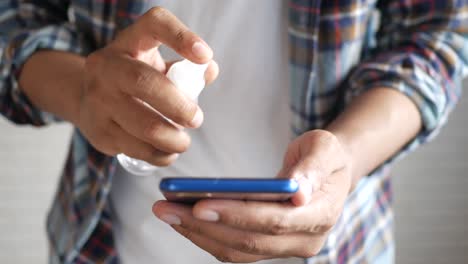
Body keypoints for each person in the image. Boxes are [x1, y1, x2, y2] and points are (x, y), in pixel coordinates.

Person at [1, 0, 467, 263]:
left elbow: (438, 33)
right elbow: (13, 19)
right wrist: (83, 93)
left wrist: (347, 155)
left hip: (343, 245)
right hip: (110, 246)